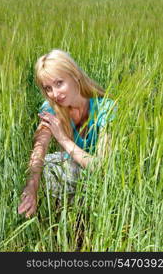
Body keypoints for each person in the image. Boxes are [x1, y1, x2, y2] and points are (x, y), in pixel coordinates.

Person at [18, 49, 117, 218]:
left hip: (102, 185)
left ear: (75, 75)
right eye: (48, 88)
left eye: (59, 83)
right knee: (47, 166)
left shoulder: (105, 108)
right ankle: (56, 224)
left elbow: (102, 168)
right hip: (72, 178)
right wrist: (31, 187)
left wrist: (63, 139)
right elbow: (39, 150)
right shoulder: (50, 108)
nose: (54, 94)